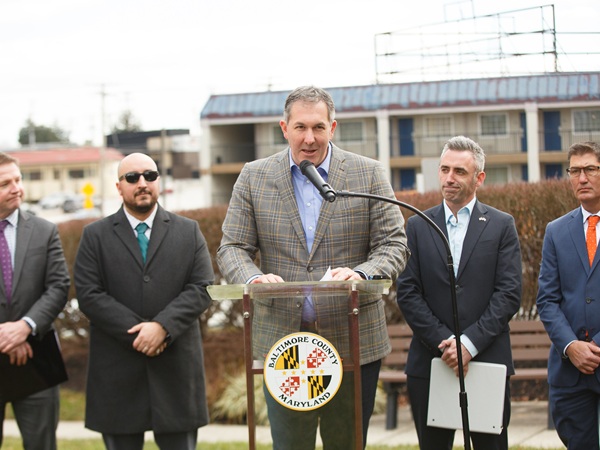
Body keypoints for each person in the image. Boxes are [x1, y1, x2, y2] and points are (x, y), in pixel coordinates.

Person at [216, 85, 409, 449]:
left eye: (318, 127)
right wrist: (254, 277)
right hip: (284, 342)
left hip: (353, 338)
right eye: (300, 127)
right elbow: (232, 248)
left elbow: (394, 244)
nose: (309, 138)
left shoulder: (367, 174)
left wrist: (363, 273)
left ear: (333, 128)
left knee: (347, 444)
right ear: (283, 127)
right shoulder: (254, 176)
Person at [74, 152, 214, 450]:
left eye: (149, 176)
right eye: (132, 177)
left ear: (158, 181)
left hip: (175, 368)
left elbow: (201, 287)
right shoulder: (94, 236)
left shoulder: (188, 231)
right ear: (119, 186)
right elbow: (89, 294)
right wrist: (141, 332)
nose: (142, 183)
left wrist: (162, 327)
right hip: (118, 372)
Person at [396, 135, 522, 450]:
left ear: (479, 178)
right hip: (431, 363)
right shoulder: (418, 225)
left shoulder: (501, 225)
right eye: (445, 169)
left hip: (486, 360)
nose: (450, 178)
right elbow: (408, 293)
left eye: (460, 172)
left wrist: (469, 344)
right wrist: (447, 345)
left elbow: (508, 293)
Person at [0, 152, 70, 450]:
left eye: (18, 179)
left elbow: (58, 286)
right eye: (5, 183)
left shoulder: (44, 231)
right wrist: (6, 335)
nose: (17, 188)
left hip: (37, 360)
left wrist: (25, 328)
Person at [536, 141, 600, 449]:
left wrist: (595, 348)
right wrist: (571, 346)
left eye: (590, 169)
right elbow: (547, 300)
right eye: (575, 171)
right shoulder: (556, 231)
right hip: (568, 374)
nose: (582, 178)